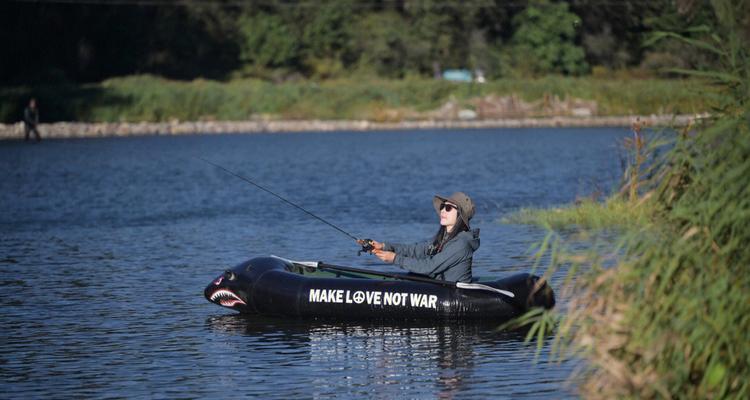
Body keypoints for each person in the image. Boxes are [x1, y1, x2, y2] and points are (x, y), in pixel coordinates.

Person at [361, 192, 479, 283]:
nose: (442, 210)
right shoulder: (443, 237)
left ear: (460, 216)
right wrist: (383, 246)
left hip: (454, 296)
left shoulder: (461, 244)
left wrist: (395, 259)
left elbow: (430, 266)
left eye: (448, 208)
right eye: (443, 206)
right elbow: (417, 250)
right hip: (440, 288)